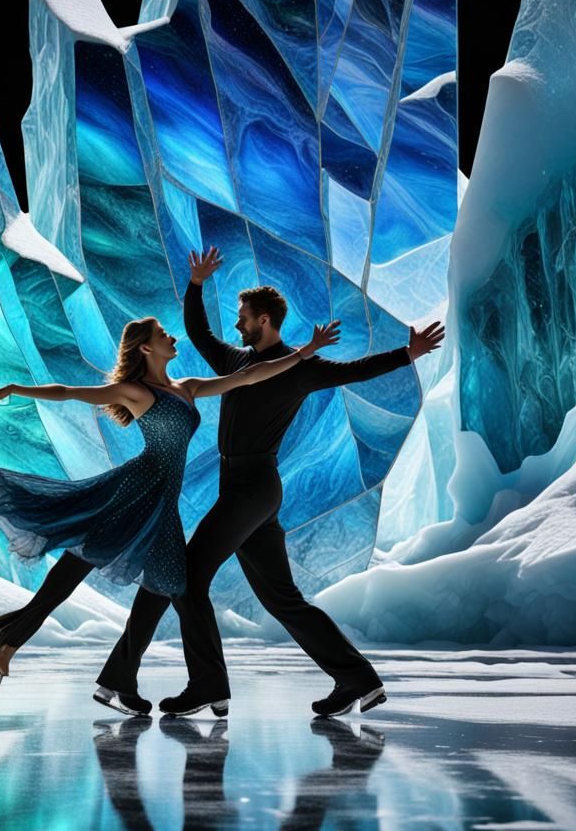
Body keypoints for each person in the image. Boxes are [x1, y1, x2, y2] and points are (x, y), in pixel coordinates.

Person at [94, 246, 444, 718]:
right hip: (243, 488)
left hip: (253, 487)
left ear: (264, 320)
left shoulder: (302, 367)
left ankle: (206, 685)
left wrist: (409, 353)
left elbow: (356, 371)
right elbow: (197, 332)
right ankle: (358, 680)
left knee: (188, 576)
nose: (237, 323)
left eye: (243, 317)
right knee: (281, 597)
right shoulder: (236, 363)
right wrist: (196, 284)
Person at [0, 310, 339, 694]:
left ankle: (118, 683)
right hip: (133, 491)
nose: (171, 337)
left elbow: (246, 376)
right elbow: (69, 392)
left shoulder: (187, 387)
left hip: (162, 502)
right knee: (78, 566)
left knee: (166, 583)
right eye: (163, 334)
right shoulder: (137, 391)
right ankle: (9, 644)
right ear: (146, 347)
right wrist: (13, 388)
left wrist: (304, 353)